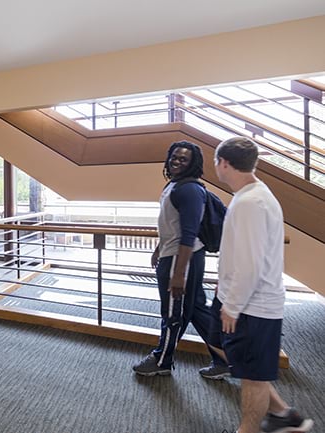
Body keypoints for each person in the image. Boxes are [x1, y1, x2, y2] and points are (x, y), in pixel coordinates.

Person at [207, 136, 313, 433]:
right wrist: (223, 286)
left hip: (252, 306)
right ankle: (282, 413)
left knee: (252, 375)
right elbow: (241, 253)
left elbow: (251, 264)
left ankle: (249, 429)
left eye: (216, 163)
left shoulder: (252, 203)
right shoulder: (249, 195)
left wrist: (233, 306)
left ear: (224, 163)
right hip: (235, 295)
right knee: (218, 344)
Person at [133, 140, 229, 378]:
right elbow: (171, 225)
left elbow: (189, 233)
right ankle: (225, 359)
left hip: (181, 259)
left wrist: (178, 274)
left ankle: (162, 360)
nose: (176, 161)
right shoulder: (175, 185)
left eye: (183, 159)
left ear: (192, 163)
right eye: (174, 157)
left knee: (173, 313)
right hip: (175, 254)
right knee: (196, 308)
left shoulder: (189, 190)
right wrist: (158, 248)